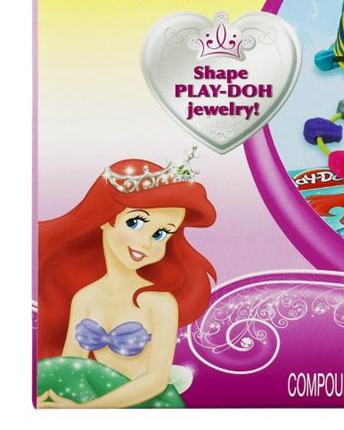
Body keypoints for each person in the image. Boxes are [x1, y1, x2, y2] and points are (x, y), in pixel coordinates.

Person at [36, 157, 216, 408]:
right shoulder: (85, 298)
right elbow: (70, 366)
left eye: (160, 234)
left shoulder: (159, 303)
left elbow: (156, 381)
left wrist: (86, 410)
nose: (146, 243)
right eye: (135, 223)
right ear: (106, 218)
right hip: (95, 394)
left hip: (149, 402)